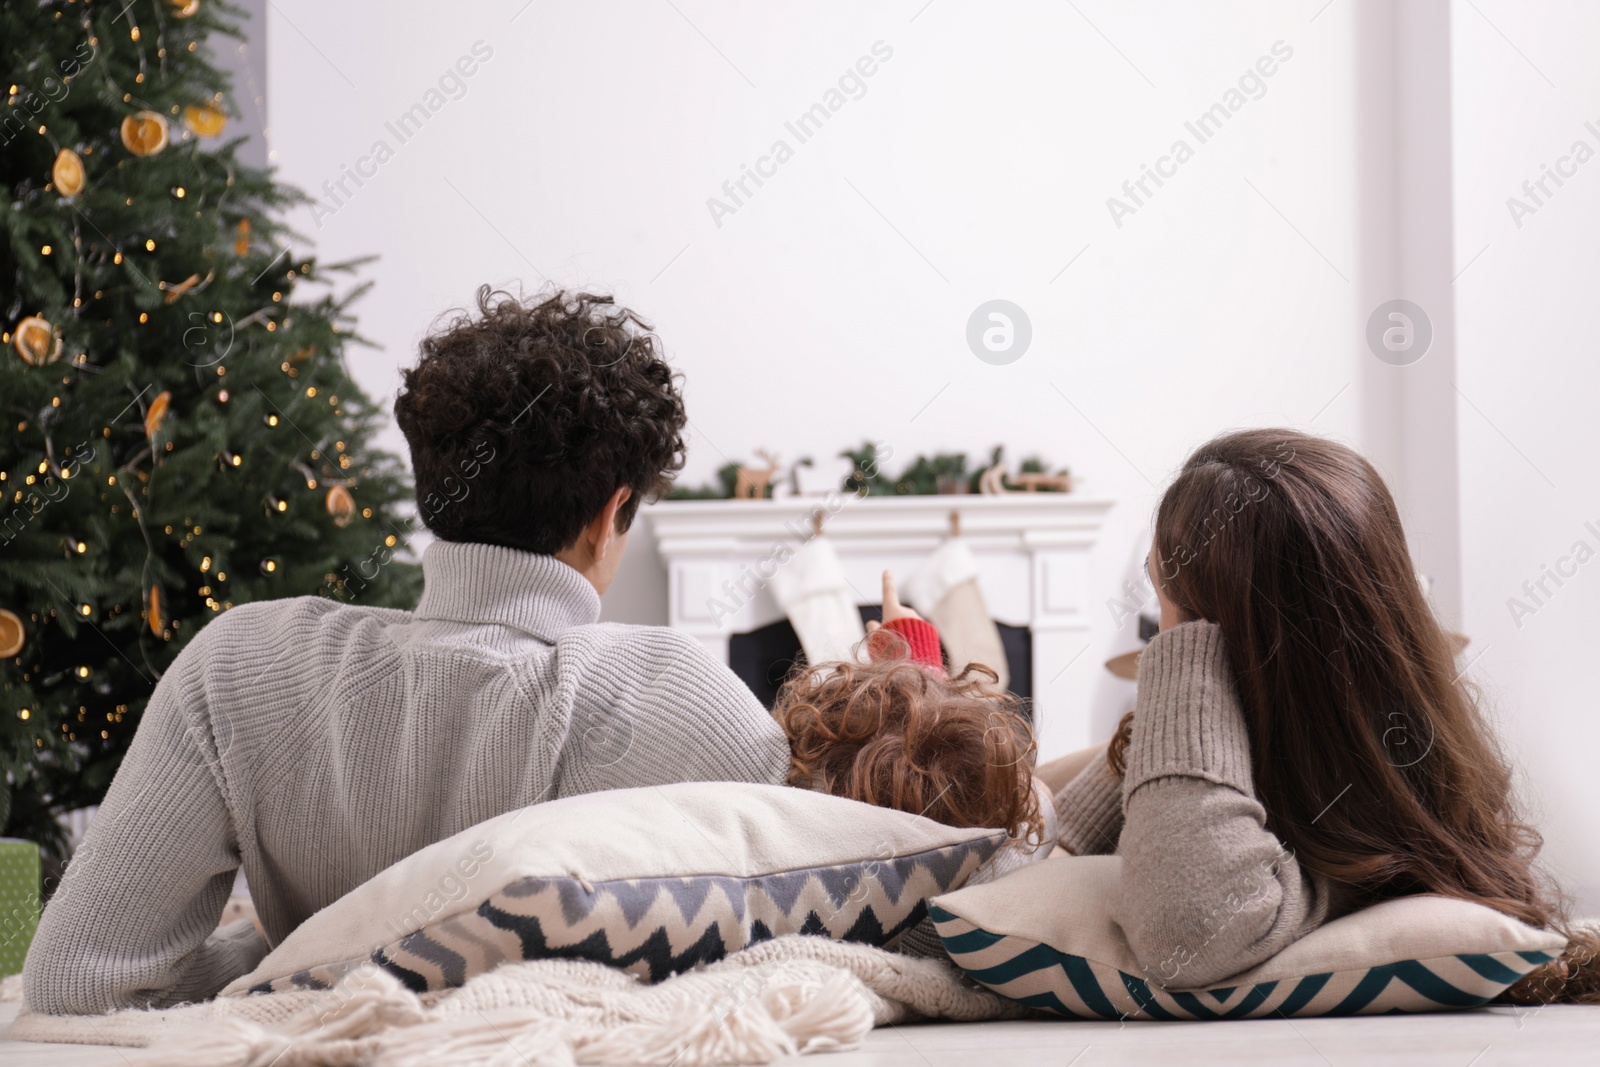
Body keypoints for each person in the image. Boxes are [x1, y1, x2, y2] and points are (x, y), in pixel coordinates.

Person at [23, 287, 793, 1015]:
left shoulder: (240, 663)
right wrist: (916, 669)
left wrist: (290, 957)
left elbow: (73, 980)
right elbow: (900, 897)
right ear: (610, 512)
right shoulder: (672, 694)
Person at [1051, 428, 1599, 1003]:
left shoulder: (1371, 800)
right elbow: (1047, 842)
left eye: (1161, 588)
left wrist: (1183, 623)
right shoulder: (1179, 746)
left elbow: (1188, 936)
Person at [776, 571, 1050, 862]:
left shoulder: (823, 826)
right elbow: (1038, 796)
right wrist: (918, 663)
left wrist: (913, 669)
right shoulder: (1013, 848)